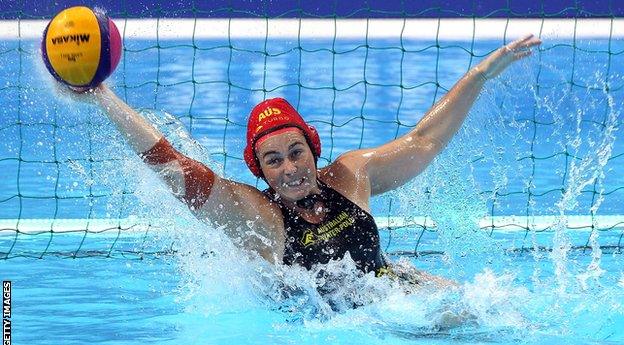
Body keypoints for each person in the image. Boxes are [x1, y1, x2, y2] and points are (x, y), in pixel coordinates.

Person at [65, 34, 541, 287]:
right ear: (260, 170)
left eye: (296, 152)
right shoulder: (258, 214)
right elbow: (171, 165)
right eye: (273, 161)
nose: (289, 168)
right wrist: (103, 96)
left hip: (397, 290)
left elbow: (425, 140)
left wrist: (481, 74)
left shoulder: (352, 176)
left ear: (314, 149)